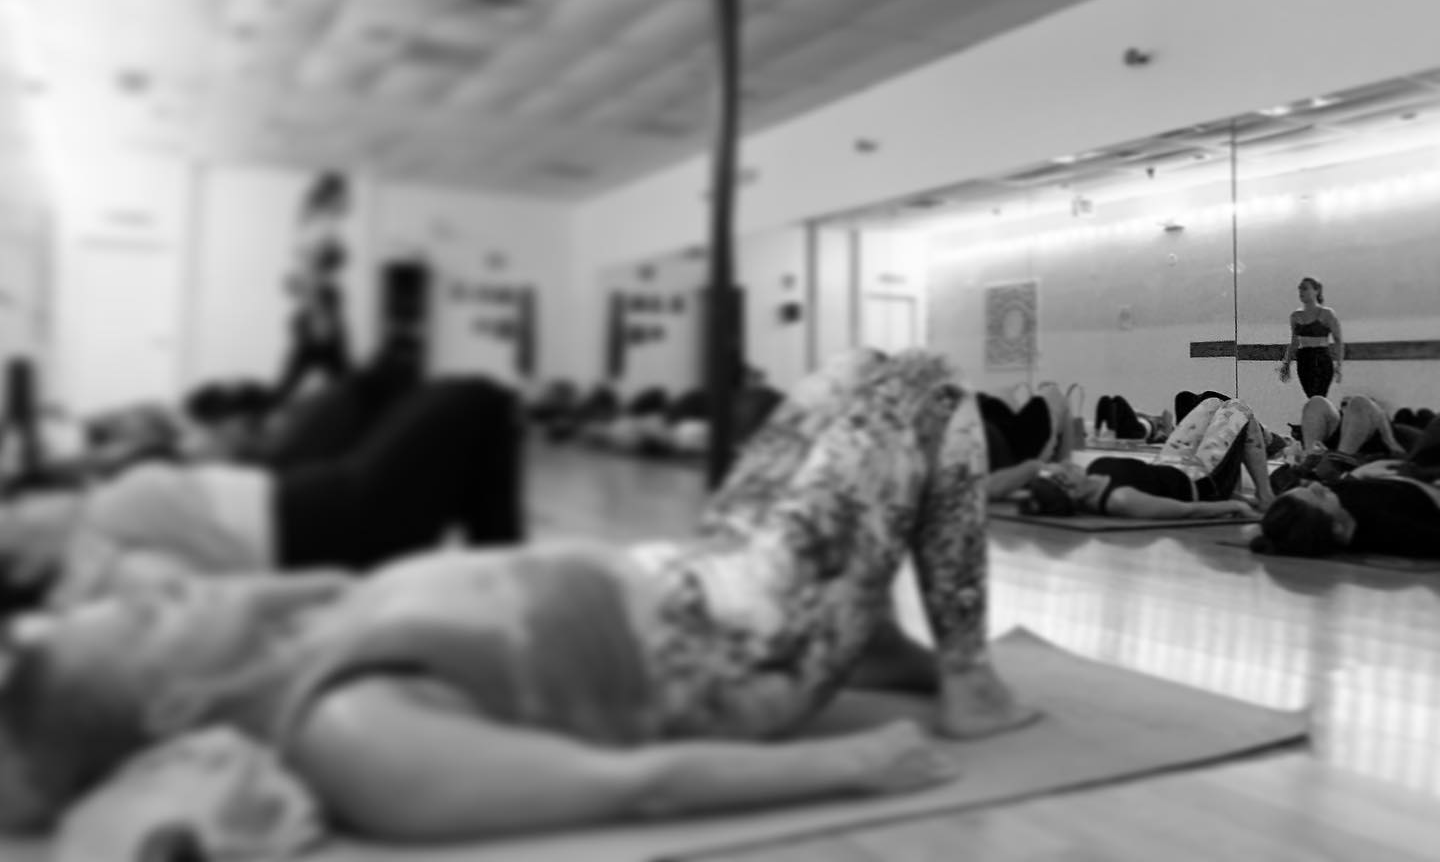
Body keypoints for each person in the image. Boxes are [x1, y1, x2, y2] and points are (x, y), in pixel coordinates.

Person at [0, 350, 1038, 837]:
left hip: (694, 570)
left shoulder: (283, 643)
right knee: (928, 393)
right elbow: (633, 787)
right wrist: (849, 766)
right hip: (748, 640)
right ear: (176, 705)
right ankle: (968, 683)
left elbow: (274, 600)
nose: (168, 593)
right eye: (149, 617)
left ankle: (876, 639)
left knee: (844, 375)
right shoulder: (351, 729)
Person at [0, 379, 524, 612]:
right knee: (478, 402)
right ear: (25, 565)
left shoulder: (94, 516)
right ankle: (511, 590)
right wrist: (329, 593)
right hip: (335, 523)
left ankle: (506, 593)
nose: (29, 501)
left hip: (308, 492)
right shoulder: (94, 555)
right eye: (18, 514)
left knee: (383, 392)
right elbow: (192, 600)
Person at [1014, 396, 1273, 520]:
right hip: (1201, 480)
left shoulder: (1093, 472)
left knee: (1212, 403)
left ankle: (1248, 490)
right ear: (1068, 486)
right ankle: (1265, 496)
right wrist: (1234, 506)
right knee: (1238, 409)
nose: (1066, 465)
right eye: (1062, 471)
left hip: (1169, 464)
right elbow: (1186, 510)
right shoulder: (1120, 499)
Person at [1250, 414, 1440, 557]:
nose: (1317, 487)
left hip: (1406, 469)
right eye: (1318, 495)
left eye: (1307, 488)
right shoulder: (1389, 530)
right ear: (1337, 528)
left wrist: (1357, 475)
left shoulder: (1336, 502)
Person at [275, 173, 353, 405]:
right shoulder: (321, 226)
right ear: (331, 196)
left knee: (335, 378)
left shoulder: (312, 222)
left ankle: (267, 412)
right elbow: (310, 273)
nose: (348, 200)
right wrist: (320, 315)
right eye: (344, 195)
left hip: (314, 307)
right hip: (319, 307)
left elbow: (298, 276)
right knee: (342, 381)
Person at [1278, 277, 1344, 398]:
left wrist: (1338, 365)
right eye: (1300, 288)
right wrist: (1286, 364)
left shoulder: (1327, 314)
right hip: (1304, 360)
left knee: (1320, 397)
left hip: (1322, 358)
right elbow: (1294, 343)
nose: (1301, 291)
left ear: (1316, 291)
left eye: (1305, 288)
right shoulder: (1295, 316)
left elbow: (1338, 340)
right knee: (1311, 397)